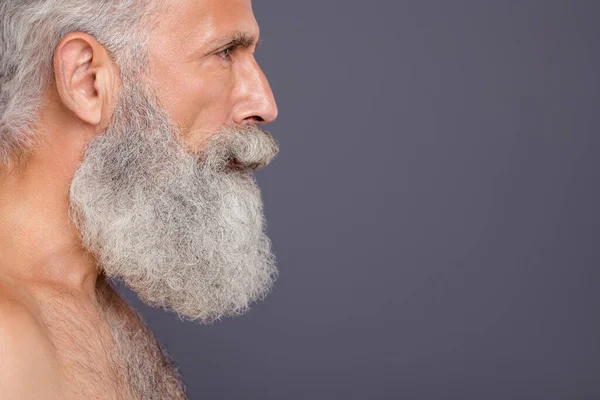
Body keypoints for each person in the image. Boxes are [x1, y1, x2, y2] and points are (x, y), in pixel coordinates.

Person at [0, 0, 279, 398]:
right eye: (224, 53)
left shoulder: (88, 298)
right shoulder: (6, 339)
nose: (264, 104)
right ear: (87, 80)